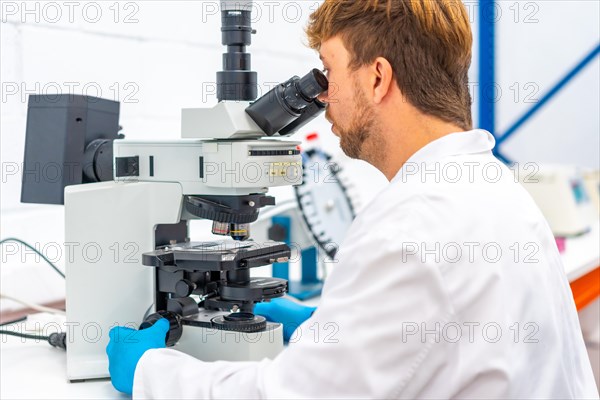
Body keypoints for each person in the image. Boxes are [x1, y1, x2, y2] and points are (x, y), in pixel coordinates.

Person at [107, 1, 599, 398]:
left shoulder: (409, 225)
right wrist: (330, 332)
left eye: (328, 72)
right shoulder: (491, 186)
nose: (322, 98)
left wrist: (151, 372)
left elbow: (288, 396)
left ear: (377, 77)